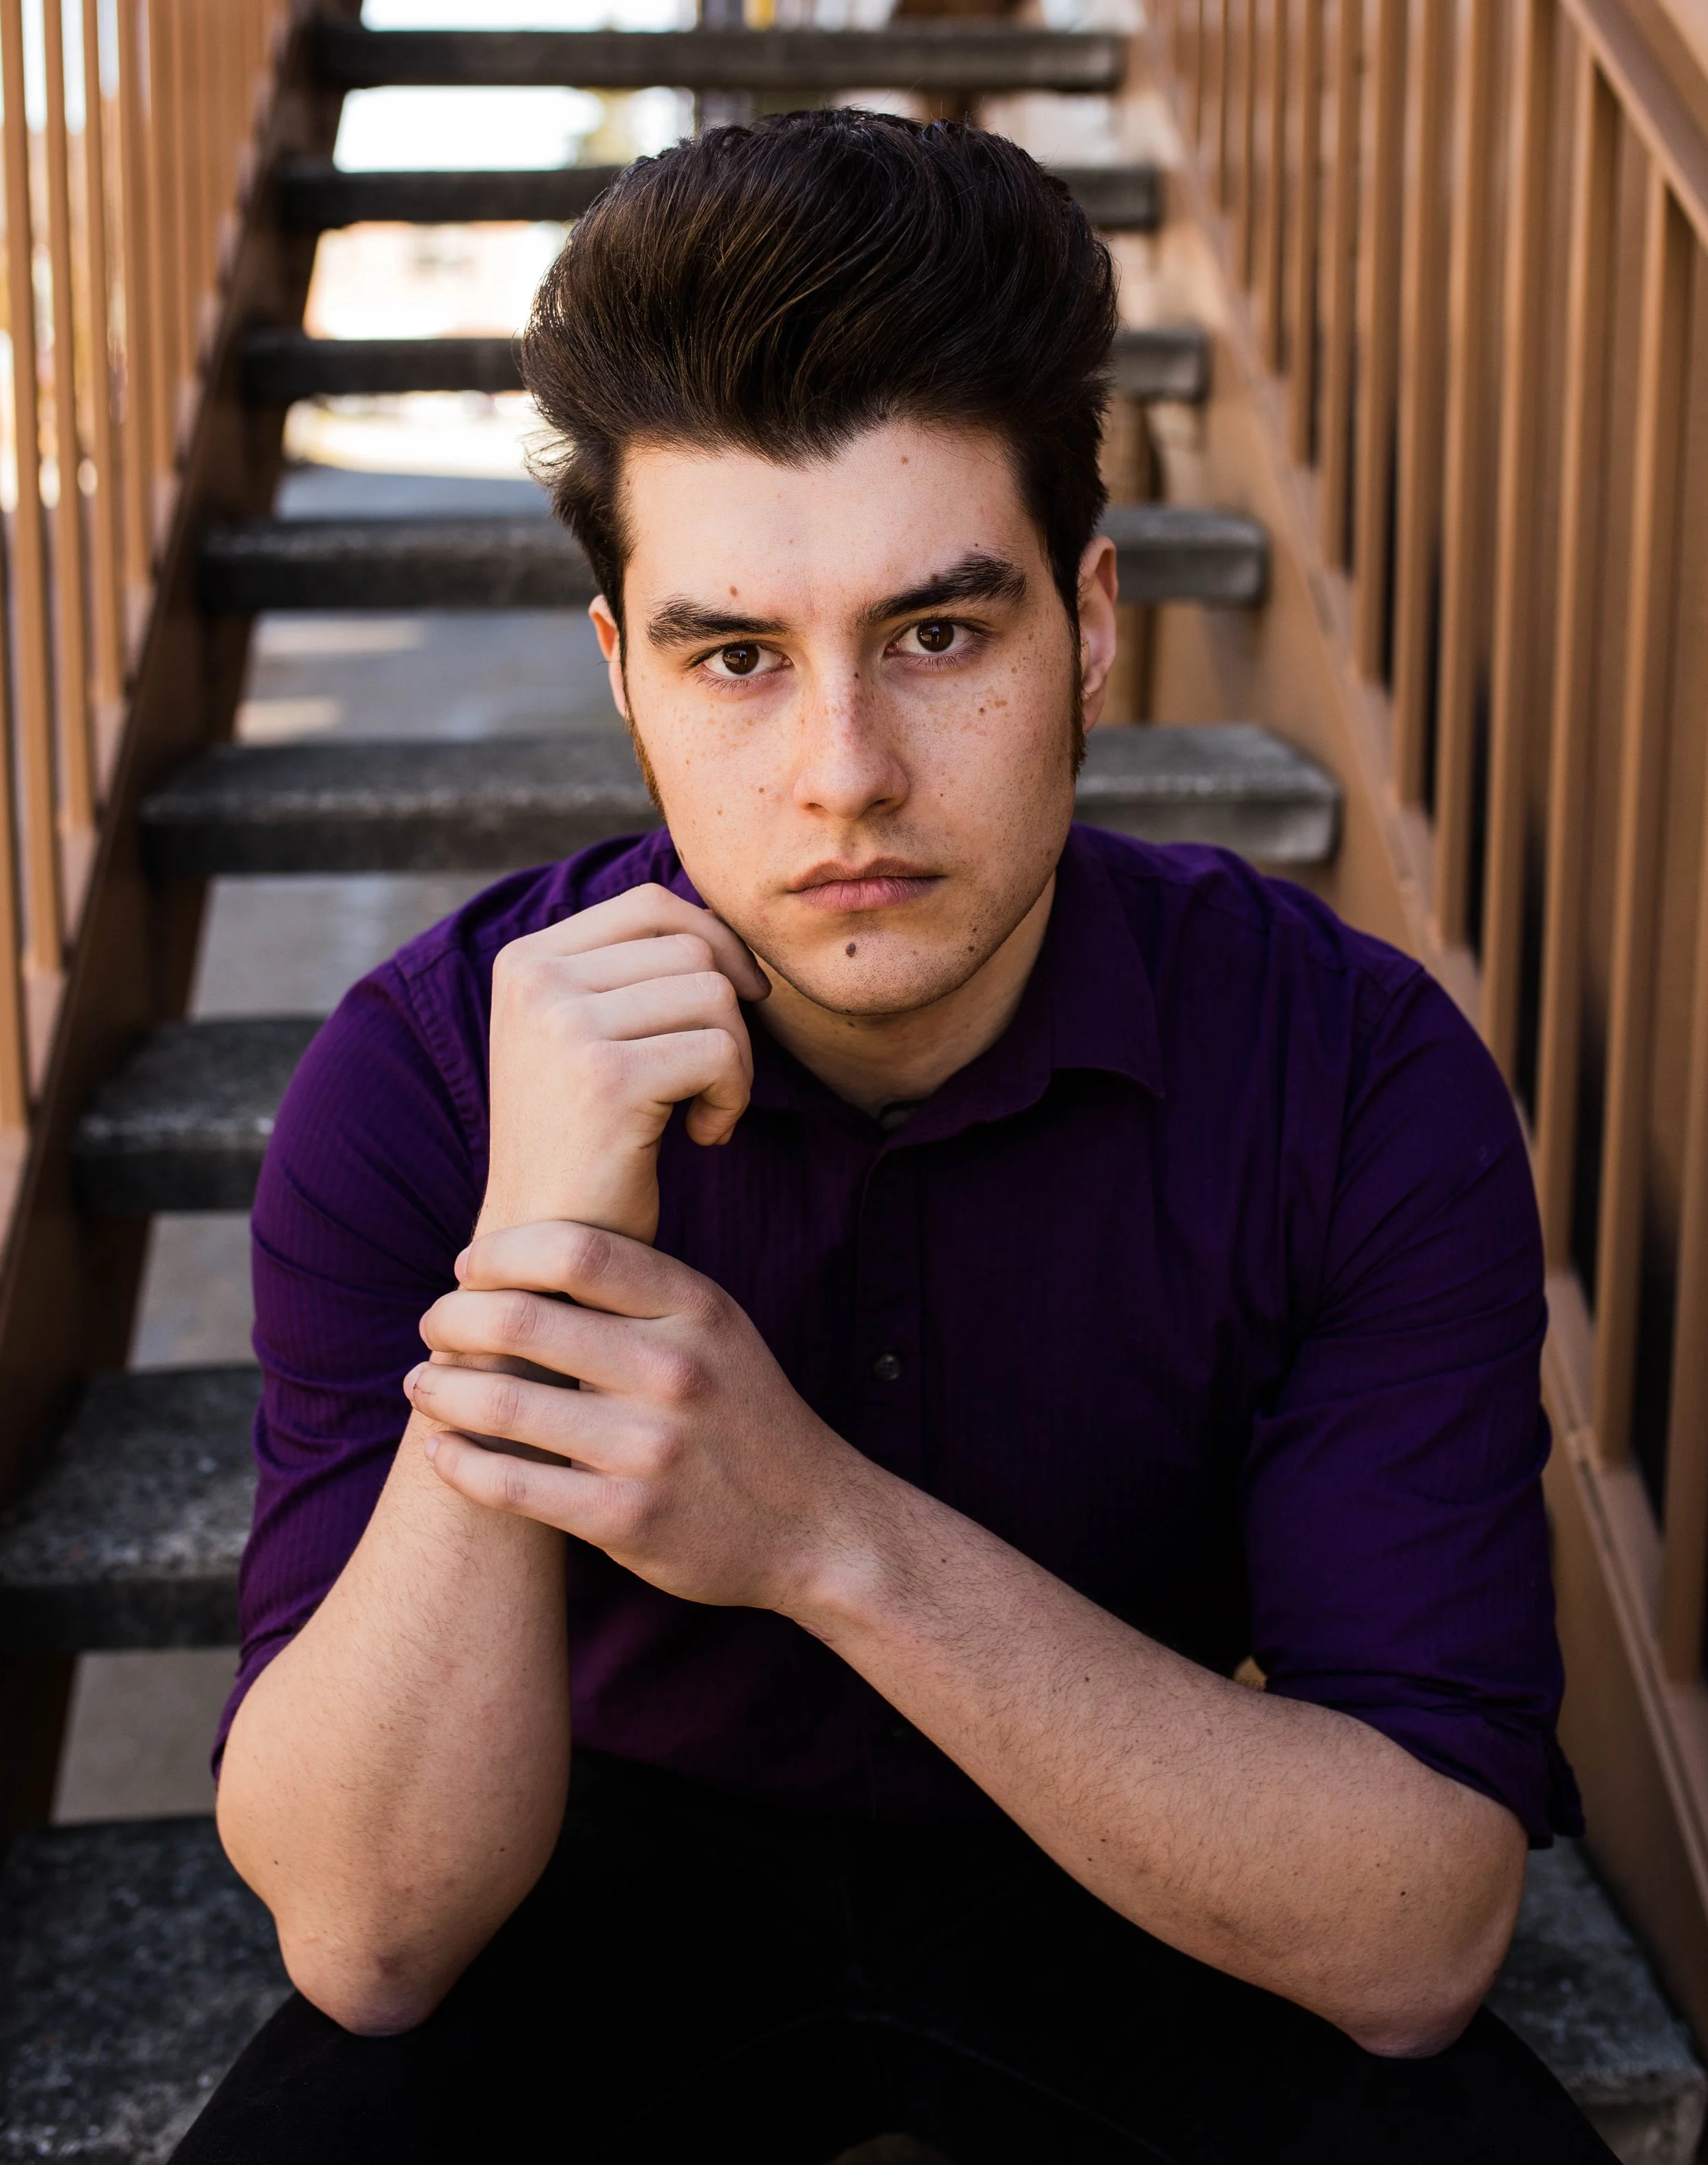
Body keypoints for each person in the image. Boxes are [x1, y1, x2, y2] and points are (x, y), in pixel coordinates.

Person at [182, 111, 1612, 2162]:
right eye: (736, 658)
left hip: (1135, 1810)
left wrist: (814, 1532)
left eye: (938, 635)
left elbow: (1412, 1944)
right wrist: (538, 1241)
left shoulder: (1348, 1071)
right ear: (622, 677)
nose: (841, 776)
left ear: (1091, 625)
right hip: (602, 1864)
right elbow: (375, 1937)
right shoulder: (426, 1073)